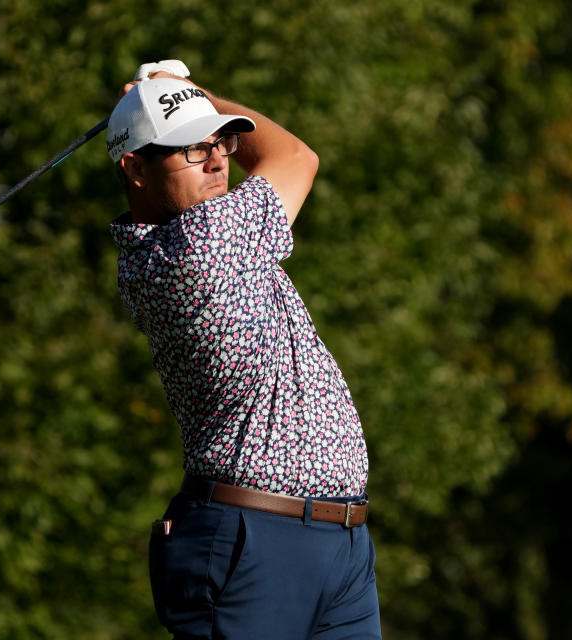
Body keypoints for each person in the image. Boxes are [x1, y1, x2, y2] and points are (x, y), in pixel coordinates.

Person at [107, 61, 381, 639]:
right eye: (190, 150)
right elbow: (296, 157)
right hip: (251, 544)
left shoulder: (211, 232)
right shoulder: (196, 248)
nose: (216, 161)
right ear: (135, 169)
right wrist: (199, 93)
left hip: (342, 544)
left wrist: (180, 102)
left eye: (221, 142)